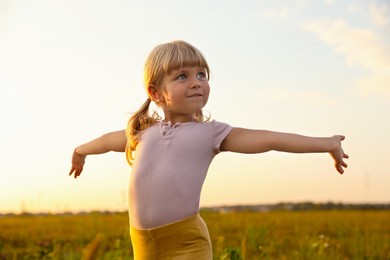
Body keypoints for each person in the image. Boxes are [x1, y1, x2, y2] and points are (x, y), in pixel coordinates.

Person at [69, 40, 349, 259]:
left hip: (186, 243)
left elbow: (270, 139)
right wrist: (81, 150)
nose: (196, 82)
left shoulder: (210, 132)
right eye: (182, 76)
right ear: (156, 93)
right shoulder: (144, 132)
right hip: (142, 243)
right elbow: (108, 141)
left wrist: (326, 143)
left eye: (202, 74)